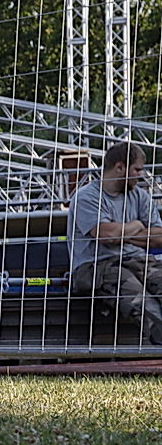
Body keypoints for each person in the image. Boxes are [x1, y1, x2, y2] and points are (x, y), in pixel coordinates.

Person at [67, 141, 162, 344]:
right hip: (98, 266)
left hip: (137, 260)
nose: (140, 175)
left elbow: (159, 237)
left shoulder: (140, 196)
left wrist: (122, 232)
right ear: (120, 167)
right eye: (137, 169)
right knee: (145, 305)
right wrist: (137, 225)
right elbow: (107, 235)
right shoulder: (86, 197)